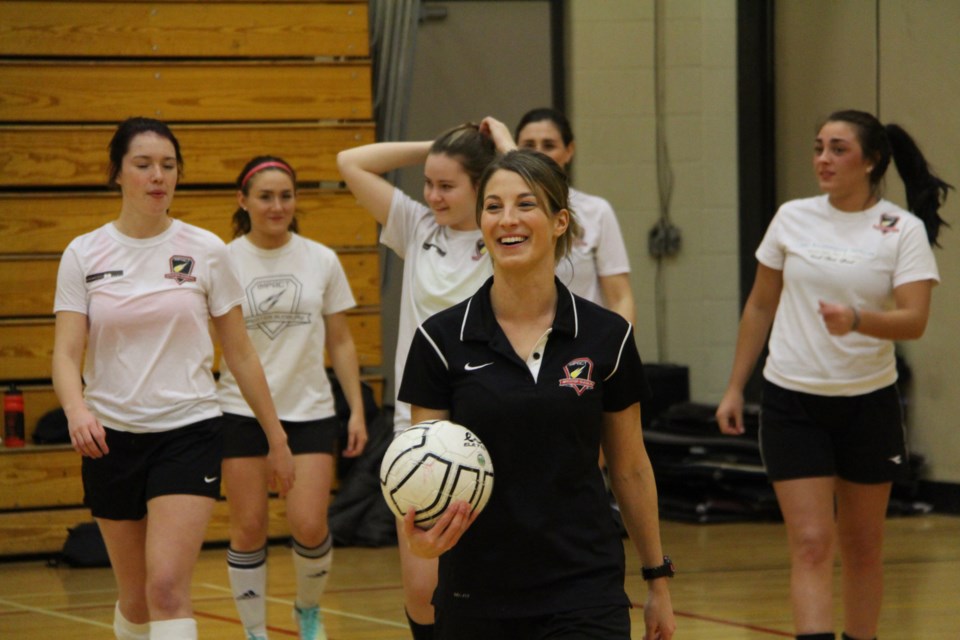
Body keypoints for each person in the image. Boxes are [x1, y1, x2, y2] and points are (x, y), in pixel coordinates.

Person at [398, 149, 676, 640]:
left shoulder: (607, 337)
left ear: (559, 220)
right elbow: (423, 472)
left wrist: (657, 580)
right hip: (477, 592)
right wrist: (422, 541)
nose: (508, 220)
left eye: (526, 204)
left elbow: (630, 465)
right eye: (493, 206)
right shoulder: (439, 341)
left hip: (584, 589)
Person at [51, 118, 295, 640]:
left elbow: (241, 353)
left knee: (166, 589)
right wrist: (76, 410)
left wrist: (276, 436)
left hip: (189, 432)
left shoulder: (207, 250)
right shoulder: (83, 253)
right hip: (109, 440)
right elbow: (66, 352)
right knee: (136, 600)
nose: (158, 176)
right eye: (143, 165)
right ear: (117, 172)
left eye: (168, 165)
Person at [715, 109, 951, 640]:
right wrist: (734, 386)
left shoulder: (901, 229)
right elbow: (759, 306)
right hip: (792, 402)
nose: (823, 159)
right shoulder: (792, 218)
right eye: (819, 146)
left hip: (868, 404)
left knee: (864, 547)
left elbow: (914, 320)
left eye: (838, 149)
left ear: (870, 162)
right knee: (812, 542)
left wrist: (859, 320)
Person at [336, 121, 499, 638]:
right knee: (424, 593)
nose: (432, 195)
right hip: (420, 432)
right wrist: (438, 148)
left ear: (483, 183)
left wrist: (503, 149)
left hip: (492, 424)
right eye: (428, 182)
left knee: (494, 584)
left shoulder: (508, 234)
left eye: (447, 185)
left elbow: (543, 194)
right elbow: (350, 162)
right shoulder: (417, 226)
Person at [217, 156, 369, 640]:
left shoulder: (321, 259)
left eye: (286, 195)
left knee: (308, 524)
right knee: (248, 529)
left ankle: (307, 609)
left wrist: (357, 410)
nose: (277, 205)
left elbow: (341, 341)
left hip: (309, 411)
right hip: (240, 413)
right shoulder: (224, 260)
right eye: (265, 196)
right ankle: (255, 630)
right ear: (244, 202)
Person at [515, 107, 635, 323]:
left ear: (569, 151)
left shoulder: (597, 211)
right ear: (513, 150)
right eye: (528, 146)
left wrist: (620, 352)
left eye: (549, 145)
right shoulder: (501, 215)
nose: (538, 153)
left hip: (585, 348)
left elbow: (620, 297)